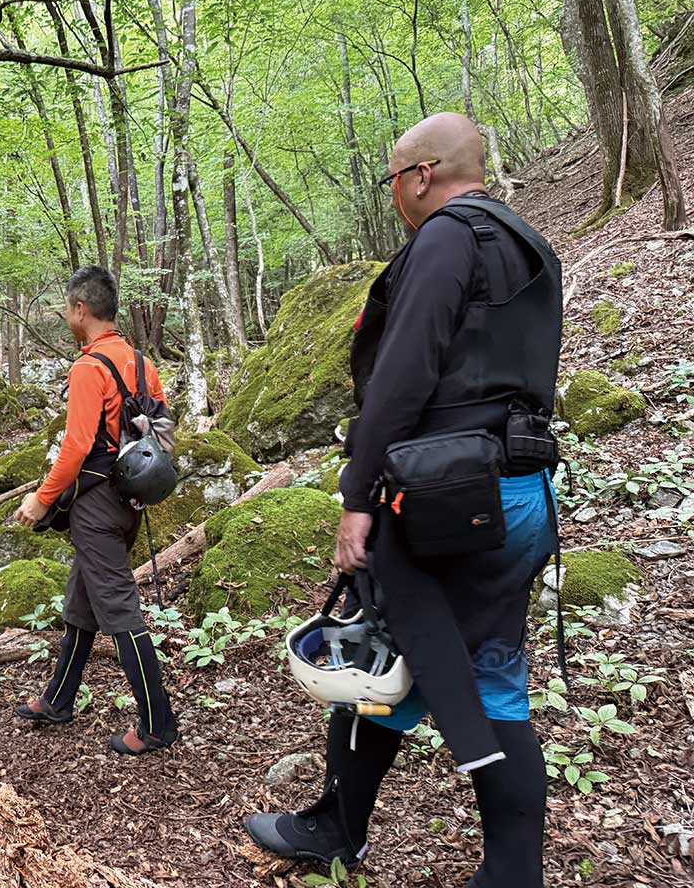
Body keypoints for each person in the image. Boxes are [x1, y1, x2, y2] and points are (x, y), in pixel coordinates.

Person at [244, 113, 562, 888]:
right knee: (480, 669)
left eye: (393, 181)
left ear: (420, 175)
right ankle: (496, 864)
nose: (394, 196)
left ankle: (342, 832)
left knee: (380, 651)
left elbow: (403, 373)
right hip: (521, 494)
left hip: (445, 505)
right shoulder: (529, 245)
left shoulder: (448, 239)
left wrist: (359, 492)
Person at [13, 265, 180, 756]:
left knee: (120, 609)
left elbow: (76, 447)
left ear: (80, 310)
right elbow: (160, 425)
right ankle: (59, 700)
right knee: (83, 600)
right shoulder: (139, 360)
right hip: (130, 498)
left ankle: (157, 723)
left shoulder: (87, 368)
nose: (67, 315)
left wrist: (40, 500)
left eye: (68, 308)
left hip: (96, 504)